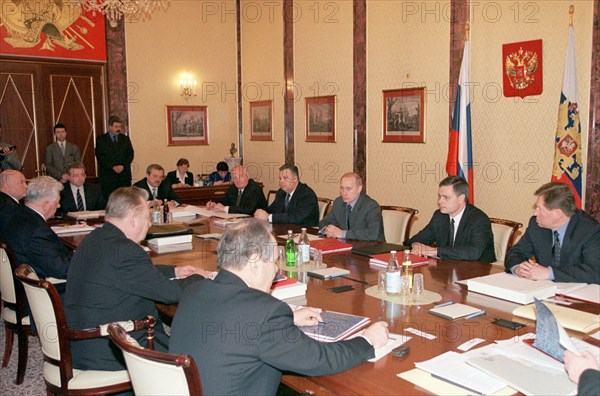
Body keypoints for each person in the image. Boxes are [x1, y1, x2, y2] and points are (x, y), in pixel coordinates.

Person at [169, 219, 389, 395]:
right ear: (254, 261)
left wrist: (288, 317)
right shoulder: (265, 313)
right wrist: (367, 341)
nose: (276, 270)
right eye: (273, 261)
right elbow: (320, 359)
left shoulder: (193, 291)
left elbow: (237, 325)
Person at [64, 187, 207, 371]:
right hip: (112, 347)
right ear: (133, 219)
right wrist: (199, 277)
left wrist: (175, 271)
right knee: (199, 353)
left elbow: (132, 274)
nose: (149, 224)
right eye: (147, 218)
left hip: (85, 341)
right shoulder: (126, 251)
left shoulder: (96, 237)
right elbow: (172, 293)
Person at [505, 182, 600, 283]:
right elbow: (516, 253)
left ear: (557, 214)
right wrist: (518, 268)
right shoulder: (536, 225)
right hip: (543, 289)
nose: (535, 213)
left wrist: (549, 273)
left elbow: (595, 272)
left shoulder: (590, 230)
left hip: (578, 293)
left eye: (540, 209)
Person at [0, 176, 72, 290]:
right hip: (42, 294)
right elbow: (63, 270)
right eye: (57, 202)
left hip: (22, 287)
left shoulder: (16, 216)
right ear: (46, 204)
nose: (58, 206)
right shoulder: (37, 230)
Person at [407, 176, 496, 262]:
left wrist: (436, 251)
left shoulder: (479, 220)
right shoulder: (439, 216)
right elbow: (416, 239)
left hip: (480, 272)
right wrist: (417, 245)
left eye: (446, 197)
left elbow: (473, 253)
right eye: (440, 196)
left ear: (461, 198)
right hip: (448, 270)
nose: (440, 201)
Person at [319, 172, 385, 241]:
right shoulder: (339, 202)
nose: (344, 193)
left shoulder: (371, 206)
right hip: (348, 245)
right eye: (342, 188)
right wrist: (326, 230)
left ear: (359, 189)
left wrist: (343, 234)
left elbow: (372, 234)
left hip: (372, 247)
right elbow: (324, 221)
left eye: (348, 189)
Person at [254, 164, 319, 227]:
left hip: (304, 233)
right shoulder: (281, 192)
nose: (281, 181)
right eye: (280, 178)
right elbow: (271, 209)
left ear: (295, 179)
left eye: (285, 178)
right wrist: (260, 213)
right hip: (284, 230)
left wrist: (269, 217)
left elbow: (296, 218)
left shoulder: (307, 194)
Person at [95, 115, 134, 198]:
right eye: (116, 126)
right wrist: (112, 166)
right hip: (108, 177)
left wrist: (123, 165)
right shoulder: (101, 139)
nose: (118, 129)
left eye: (119, 126)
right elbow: (100, 156)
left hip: (123, 176)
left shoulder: (125, 139)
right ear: (109, 127)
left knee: (125, 199)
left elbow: (130, 154)